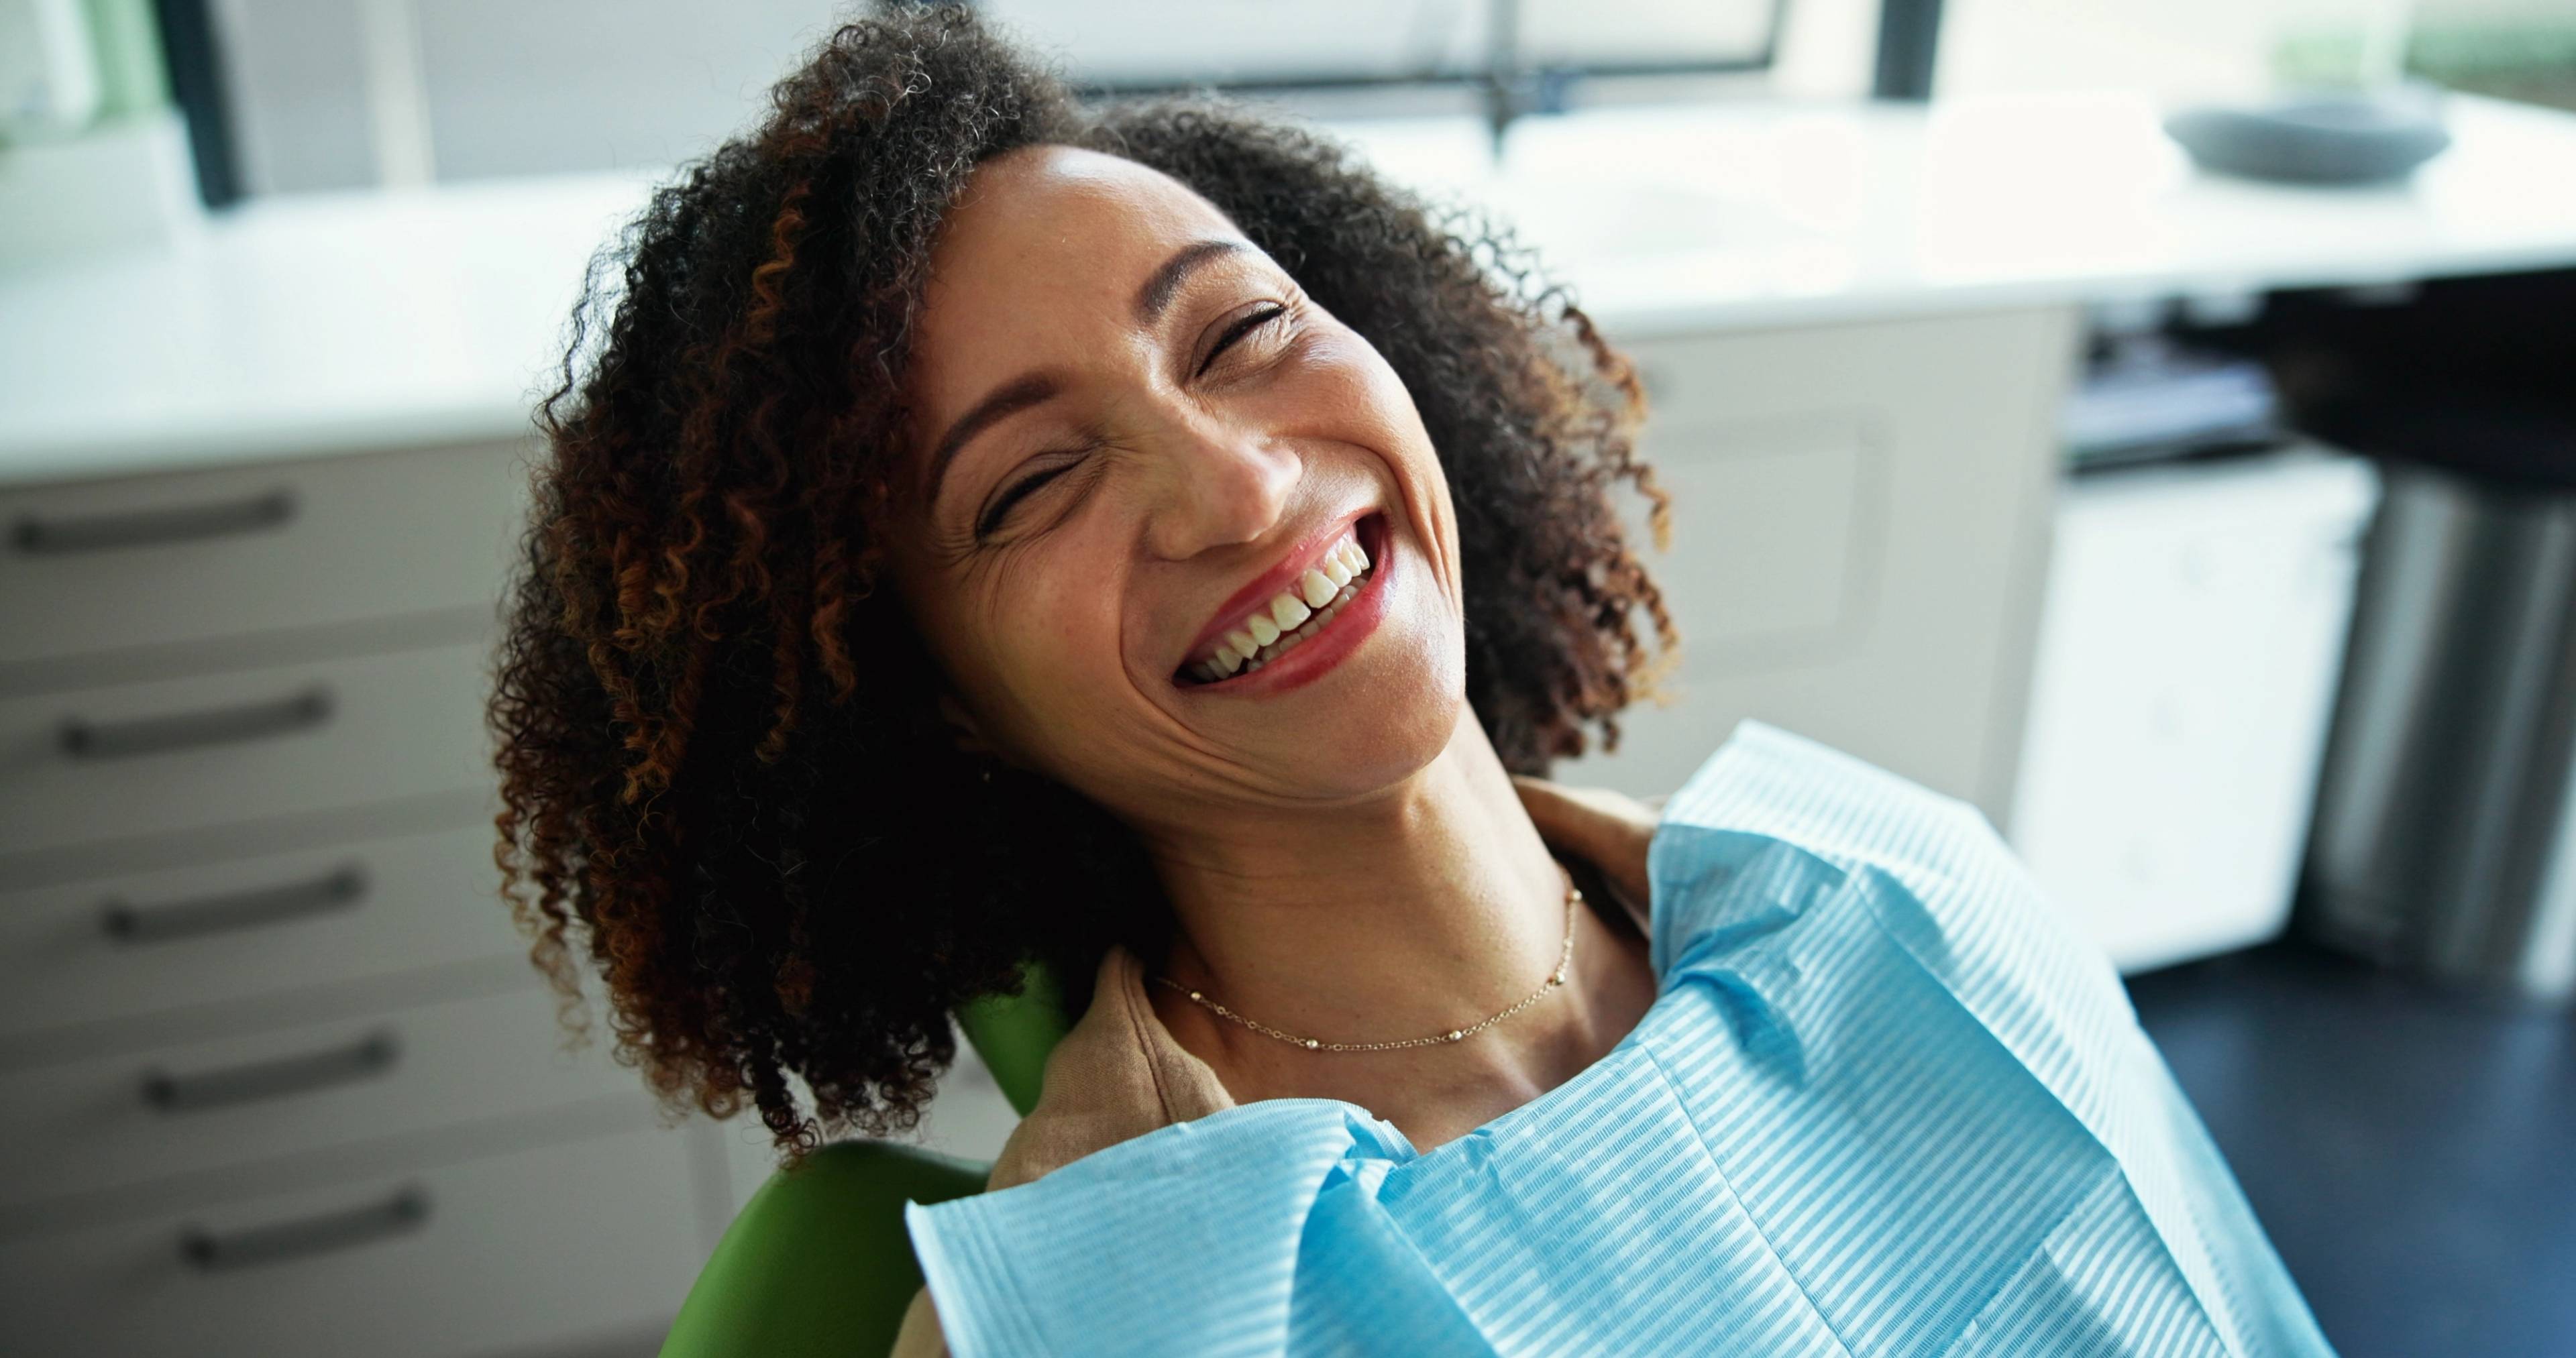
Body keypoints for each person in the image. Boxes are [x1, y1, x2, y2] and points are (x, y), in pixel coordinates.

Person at [490, 9, 2330, 1355]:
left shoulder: (1901, 894)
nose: (1240, 484)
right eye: (1031, 484)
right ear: (936, 702)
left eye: (1242, 331)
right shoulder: (1125, 1309)